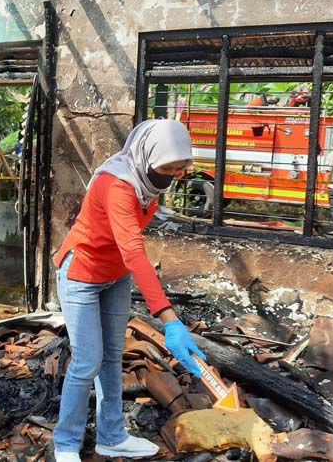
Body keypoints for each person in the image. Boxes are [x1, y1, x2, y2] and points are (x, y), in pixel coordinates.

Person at [52, 119, 204, 462]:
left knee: (111, 357)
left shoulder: (146, 182)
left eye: (181, 168)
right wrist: (169, 320)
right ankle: (65, 443)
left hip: (115, 275)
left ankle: (112, 436)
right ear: (148, 156)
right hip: (82, 273)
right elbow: (134, 250)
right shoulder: (118, 183)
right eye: (169, 167)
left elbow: (131, 243)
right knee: (86, 362)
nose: (174, 175)